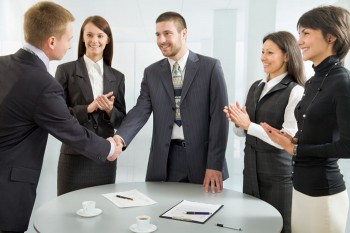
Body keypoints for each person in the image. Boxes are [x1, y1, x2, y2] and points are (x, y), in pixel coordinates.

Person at [0, 2, 120, 233]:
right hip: (7, 192)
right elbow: (69, 129)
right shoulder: (44, 83)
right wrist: (108, 149)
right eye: (69, 38)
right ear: (52, 41)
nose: (69, 45)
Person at [114, 11, 229, 193]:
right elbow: (141, 110)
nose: (161, 40)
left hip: (202, 160)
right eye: (158, 35)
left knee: (200, 216)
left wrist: (214, 164)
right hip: (164, 159)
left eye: (167, 33)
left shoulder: (210, 67)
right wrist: (120, 137)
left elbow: (219, 119)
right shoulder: (151, 73)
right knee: (161, 214)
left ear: (183, 33)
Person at [260, 5, 350, 233]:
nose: (299, 41)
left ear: (331, 36)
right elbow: (313, 133)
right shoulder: (311, 82)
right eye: (299, 34)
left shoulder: (342, 83)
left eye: (306, 33)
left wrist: (298, 149)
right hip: (299, 188)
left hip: (324, 194)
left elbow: (348, 146)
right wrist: (291, 140)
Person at [224, 31, 305, 233]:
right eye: (262, 52)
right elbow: (242, 134)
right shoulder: (256, 87)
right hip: (250, 172)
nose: (263, 58)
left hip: (279, 177)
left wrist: (248, 124)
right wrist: (238, 122)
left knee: (280, 228)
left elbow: (287, 139)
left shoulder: (296, 91)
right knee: (252, 227)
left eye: (270, 52)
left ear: (287, 55)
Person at [55, 16, 126, 196]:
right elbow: (58, 114)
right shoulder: (65, 71)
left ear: (107, 40)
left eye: (100, 36)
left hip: (105, 157)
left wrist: (110, 110)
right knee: (68, 211)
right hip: (74, 155)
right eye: (90, 35)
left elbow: (122, 120)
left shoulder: (117, 77)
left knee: (103, 211)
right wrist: (88, 108)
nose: (95, 40)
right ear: (82, 38)